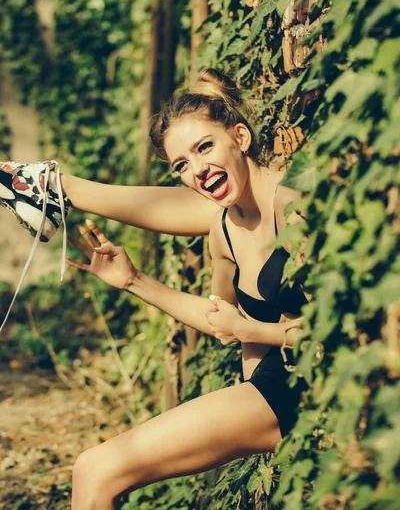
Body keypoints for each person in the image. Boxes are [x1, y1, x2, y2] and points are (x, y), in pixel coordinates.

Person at [0, 69, 308, 509]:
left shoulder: (293, 205)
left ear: (240, 137)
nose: (197, 170)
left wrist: (254, 333)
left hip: (298, 385)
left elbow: (336, 329)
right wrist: (133, 280)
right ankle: (51, 186)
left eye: (205, 148)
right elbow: (220, 320)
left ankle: (53, 185)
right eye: (182, 165)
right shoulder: (221, 227)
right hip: (266, 385)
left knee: (97, 468)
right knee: (93, 467)